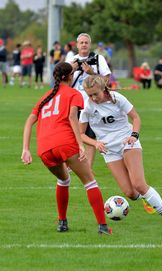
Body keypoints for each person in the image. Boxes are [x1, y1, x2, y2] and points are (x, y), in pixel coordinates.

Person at [21, 62, 111, 235]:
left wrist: (26, 149)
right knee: (90, 182)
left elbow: (29, 121)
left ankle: (62, 222)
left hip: (45, 148)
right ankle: (103, 227)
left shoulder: (45, 96)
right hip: (65, 143)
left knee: (63, 180)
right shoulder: (73, 93)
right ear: (70, 77)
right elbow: (71, 117)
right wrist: (80, 145)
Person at [79, 75, 162, 227]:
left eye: (95, 94)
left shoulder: (117, 98)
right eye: (89, 94)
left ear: (103, 89)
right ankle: (146, 199)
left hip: (127, 141)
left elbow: (136, 118)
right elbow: (81, 134)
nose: (93, 98)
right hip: (109, 150)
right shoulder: (87, 106)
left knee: (139, 184)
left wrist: (134, 135)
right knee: (130, 193)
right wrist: (95, 143)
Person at [67, 33, 111, 167]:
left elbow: (106, 80)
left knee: (90, 137)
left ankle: (88, 167)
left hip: (92, 104)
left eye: (86, 42)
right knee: (71, 135)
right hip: (75, 103)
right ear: (77, 45)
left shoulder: (98, 59)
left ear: (90, 44)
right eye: (81, 42)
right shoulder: (72, 60)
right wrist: (71, 70)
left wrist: (92, 72)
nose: (84, 45)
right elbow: (64, 83)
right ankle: (70, 164)